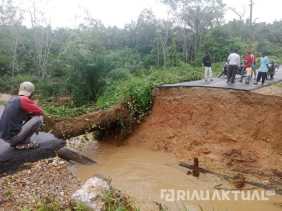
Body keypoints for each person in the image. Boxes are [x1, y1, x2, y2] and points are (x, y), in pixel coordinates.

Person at [0, 81, 43, 150]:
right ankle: (24, 142)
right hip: (13, 138)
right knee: (38, 118)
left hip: (5, 137)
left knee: (29, 115)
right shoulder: (24, 99)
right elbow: (40, 111)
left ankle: (19, 142)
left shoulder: (13, 99)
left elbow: (22, 114)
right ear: (31, 92)